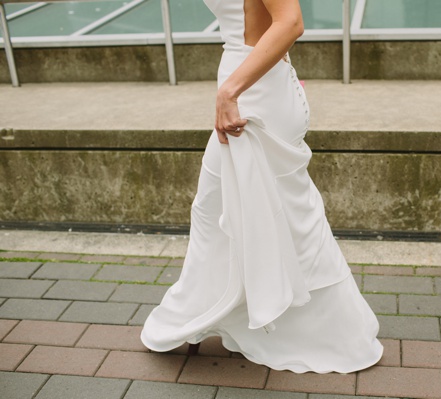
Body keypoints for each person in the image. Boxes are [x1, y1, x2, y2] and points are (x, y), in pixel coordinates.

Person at [140, 0, 383, 373]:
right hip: (254, 86)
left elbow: (290, 22)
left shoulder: (239, 89)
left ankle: (328, 332)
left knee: (230, 213)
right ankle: (222, 315)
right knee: (244, 214)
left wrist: (229, 92)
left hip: (253, 98)